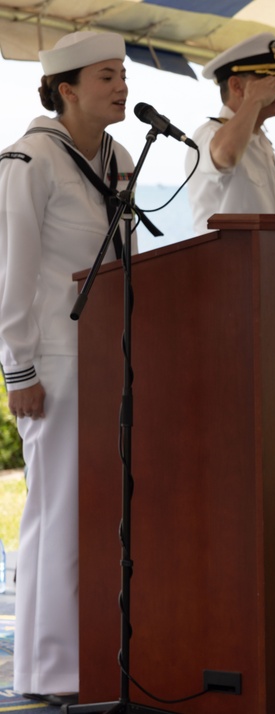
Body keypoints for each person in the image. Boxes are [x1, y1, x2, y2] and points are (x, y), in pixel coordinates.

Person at [0, 30, 134, 708]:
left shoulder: (121, 158)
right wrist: (18, 371)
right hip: (55, 362)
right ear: (66, 88)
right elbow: (11, 274)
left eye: (123, 73)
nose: (120, 85)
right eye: (105, 75)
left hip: (114, 359)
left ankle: (99, 655)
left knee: (106, 512)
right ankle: (50, 671)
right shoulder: (31, 160)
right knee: (58, 512)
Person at [186, 32, 275, 232]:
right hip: (227, 261)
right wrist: (254, 100)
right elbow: (226, 154)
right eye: (269, 80)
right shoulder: (209, 134)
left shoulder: (261, 141)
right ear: (236, 85)